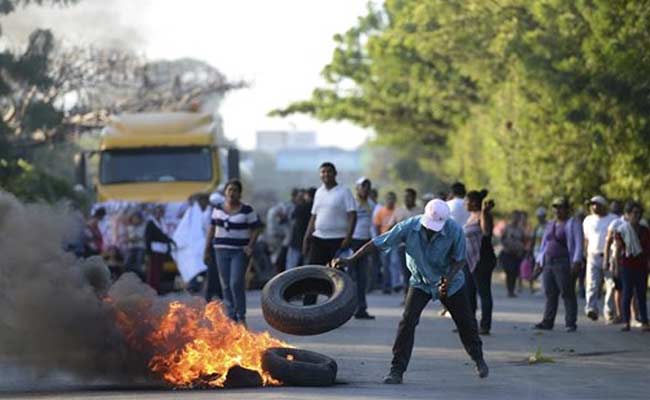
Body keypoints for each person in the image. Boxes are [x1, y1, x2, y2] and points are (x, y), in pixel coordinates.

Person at [331, 199, 488, 382]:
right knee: (407, 322)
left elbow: (460, 259)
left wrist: (449, 278)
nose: (430, 231)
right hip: (420, 281)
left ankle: (478, 358)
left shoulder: (455, 230)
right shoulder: (409, 226)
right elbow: (377, 243)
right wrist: (351, 259)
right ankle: (396, 370)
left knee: (465, 322)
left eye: (435, 228)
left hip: (450, 282)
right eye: (429, 227)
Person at [203, 179, 261, 325]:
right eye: (229, 190)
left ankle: (241, 315)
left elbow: (256, 228)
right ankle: (231, 316)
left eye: (235, 190)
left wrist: (250, 245)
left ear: (240, 194)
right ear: (225, 192)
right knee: (226, 284)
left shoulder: (247, 210)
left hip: (239, 252)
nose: (232, 193)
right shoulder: (218, 209)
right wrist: (206, 249)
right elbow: (211, 229)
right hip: (220, 250)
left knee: (236, 282)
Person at [533, 197, 583, 332]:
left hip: (564, 262)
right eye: (555, 207)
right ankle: (547, 321)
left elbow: (579, 243)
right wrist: (539, 262)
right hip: (549, 261)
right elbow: (544, 244)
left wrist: (577, 261)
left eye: (560, 207)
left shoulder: (573, 223)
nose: (557, 210)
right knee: (550, 292)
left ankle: (570, 323)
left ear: (567, 209)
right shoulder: (551, 224)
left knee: (567, 292)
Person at [302, 162, 356, 269]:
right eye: (323, 172)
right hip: (319, 238)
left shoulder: (344, 191)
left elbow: (352, 215)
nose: (326, 174)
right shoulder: (319, 192)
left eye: (329, 171)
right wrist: (306, 238)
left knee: (337, 271)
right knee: (314, 270)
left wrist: (348, 237)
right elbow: (314, 216)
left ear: (335, 173)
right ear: (320, 175)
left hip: (338, 239)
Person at [464, 190, 496, 335]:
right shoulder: (470, 217)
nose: (465, 203)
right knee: (469, 293)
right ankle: (470, 324)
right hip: (469, 261)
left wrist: (484, 212)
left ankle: (485, 325)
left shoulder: (484, 215)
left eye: (467, 201)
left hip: (482, 260)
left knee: (484, 293)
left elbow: (486, 231)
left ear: (474, 202)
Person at [614, 201, 650, 332]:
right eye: (634, 213)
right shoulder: (622, 230)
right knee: (627, 293)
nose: (637, 215)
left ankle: (644, 321)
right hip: (627, 266)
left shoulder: (645, 230)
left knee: (641, 294)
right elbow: (618, 250)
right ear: (627, 215)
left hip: (642, 266)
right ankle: (626, 322)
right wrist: (616, 267)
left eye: (639, 213)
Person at [582, 195, 617, 321]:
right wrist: (584, 254)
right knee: (592, 284)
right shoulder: (588, 220)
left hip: (609, 256)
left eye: (597, 204)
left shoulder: (613, 219)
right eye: (592, 204)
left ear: (603, 206)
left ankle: (609, 311)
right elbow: (586, 239)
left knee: (611, 285)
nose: (594, 207)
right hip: (593, 255)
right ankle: (591, 308)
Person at [350, 177, 376, 319]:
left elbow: (372, 224)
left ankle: (361, 308)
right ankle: (349, 308)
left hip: (365, 242)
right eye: (363, 186)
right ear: (357, 188)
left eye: (368, 186)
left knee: (362, 277)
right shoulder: (352, 203)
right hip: (352, 241)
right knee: (350, 277)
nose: (366, 189)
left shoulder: (371, 204)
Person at [374, 191, 403, 293]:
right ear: (386, 200)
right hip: (384, 241)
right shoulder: (381, 212)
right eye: (388, 199)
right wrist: (379, 240)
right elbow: (377, 226)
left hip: (394, 240)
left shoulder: (398, 212)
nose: (390, 201)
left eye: (392, 199)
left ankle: (396, 284)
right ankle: (386, 285)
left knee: (395, 263)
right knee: (385, 264)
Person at [145, 204, 176, 294]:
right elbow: (148, 238)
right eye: (157, 212)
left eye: (160, 212)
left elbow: (164, 236)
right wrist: (148, 252)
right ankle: (152, 288)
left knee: (159, 270)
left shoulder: (162, 223)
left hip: (161, 249)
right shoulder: (151, 223)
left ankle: (157, 287)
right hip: (154, 249)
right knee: (153, 270)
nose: (159, 214)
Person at [603, 200, 625, 323]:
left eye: (617, 207)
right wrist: (606, 259)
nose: (614, 209)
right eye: (613, 207)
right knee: (616, 288)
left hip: (628, 259)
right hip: (616, 259)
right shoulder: (614, 223)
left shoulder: (627, 222)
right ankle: (617, 314)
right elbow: (608, 242)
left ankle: (631, 315)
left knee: (629, 289)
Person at [500, 211, 527, 297]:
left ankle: (512, 290)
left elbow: (524, 240)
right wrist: (506, 245)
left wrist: (521, 249)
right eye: (514, 217)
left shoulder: (520, 229)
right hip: (508, 253)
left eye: (517, 217)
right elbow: (502, 238)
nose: (516, 219)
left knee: (514, 272)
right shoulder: (507, 228)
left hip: (517, 254)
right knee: (509, 271)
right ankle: (509, 289)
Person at [286, 188, 314, 269]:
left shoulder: (302, 207)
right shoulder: (316, 208)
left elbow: (293, 215)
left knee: (291, 268)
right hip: (310, 243)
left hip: (297, 241)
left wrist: (299, 202)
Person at [124, 211, 146, 281]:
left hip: (140, 247)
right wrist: (131, 239)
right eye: (134, 218)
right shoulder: (129, 228)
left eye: (137, 218)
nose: (135, 220)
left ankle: (139, 278)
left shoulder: (143, 227)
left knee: (139, 262)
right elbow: (126, 239)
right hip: (131, 247)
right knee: (127, 263)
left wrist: (138, 238)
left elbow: (145, 238)